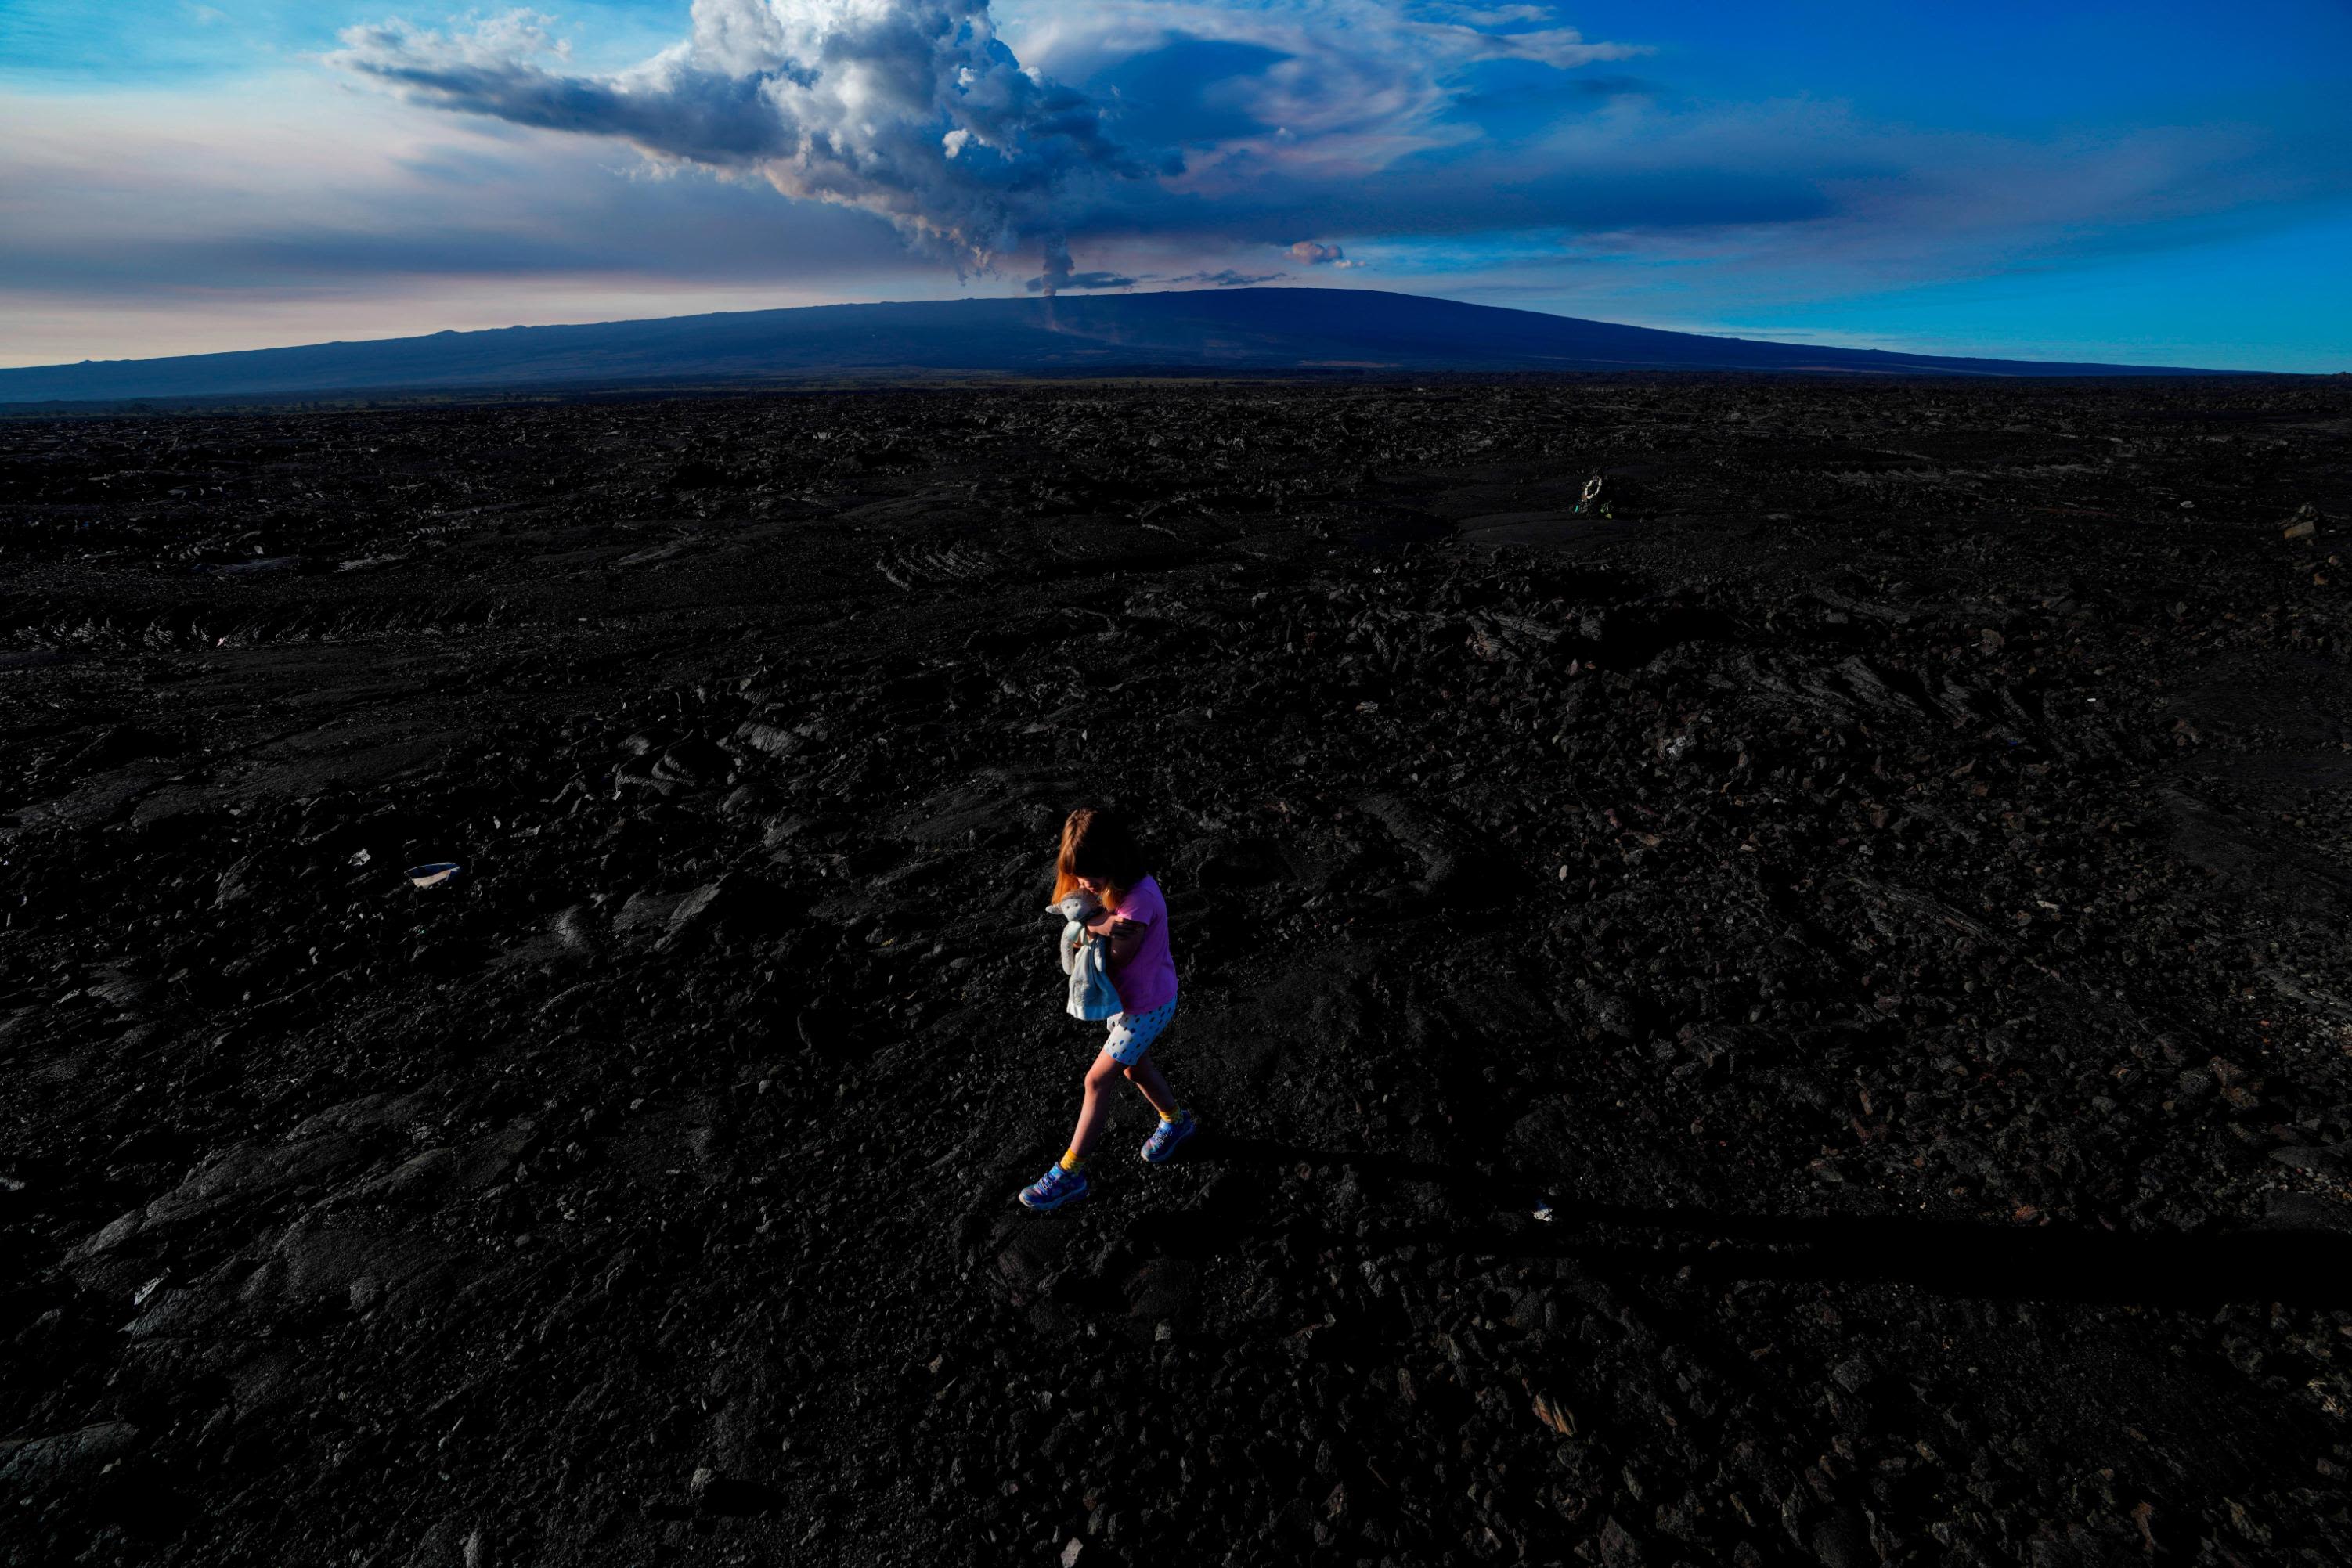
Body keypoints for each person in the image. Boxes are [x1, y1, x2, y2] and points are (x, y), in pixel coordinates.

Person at [1019, 806, 1194, 1211]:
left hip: (1148, 1007)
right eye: (1078, 876)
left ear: (1114, 860)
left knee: (1096, 1081)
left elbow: (1118, 956)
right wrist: (1094, 917)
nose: (1083, 885)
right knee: (1136, 1068)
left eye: (1090, 876)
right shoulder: (1110, 891)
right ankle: (1177, 1122)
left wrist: (1091, 921)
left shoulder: (1138, 902)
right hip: (1128, 1002)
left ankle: (1069, 1173)